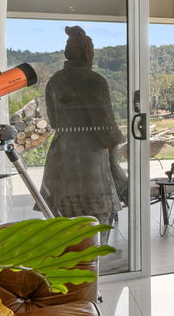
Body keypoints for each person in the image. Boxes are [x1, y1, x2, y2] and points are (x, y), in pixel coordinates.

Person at [39, 25, 128, 226]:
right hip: (89, 159)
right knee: (95, 220)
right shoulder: (94, 80)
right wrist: (116, 145)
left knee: (61, 223)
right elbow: (105, 125)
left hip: (60, 154)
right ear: (88, 53)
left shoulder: (55, 80)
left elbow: (54, 121)